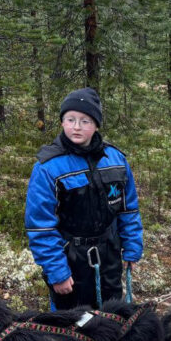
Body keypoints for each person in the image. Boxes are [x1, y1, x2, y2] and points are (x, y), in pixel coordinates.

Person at [25, 87, 144, 312]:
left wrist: (132, 246)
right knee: (72, 327)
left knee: (112, 318)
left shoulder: (116, 160)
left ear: (96, 125)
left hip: (109, 254)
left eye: (85, 121)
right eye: (71, 119)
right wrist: (57, 272)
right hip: (71, 259)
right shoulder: (48, 167)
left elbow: (128, 209)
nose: (77, 126)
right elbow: (40, 226)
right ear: (62, 122)